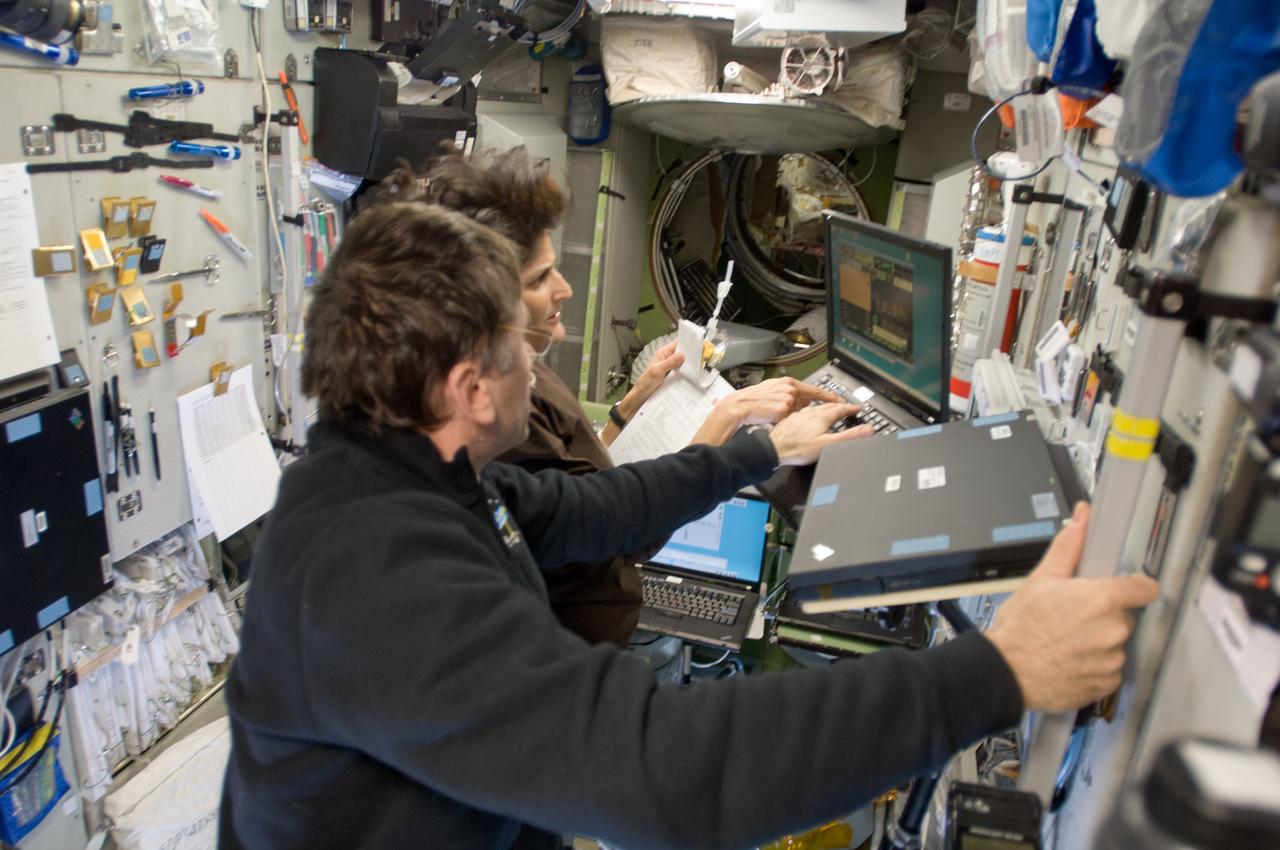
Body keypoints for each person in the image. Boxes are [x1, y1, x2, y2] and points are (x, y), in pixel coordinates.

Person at [219, 196, 1160, 850]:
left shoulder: (416, 475)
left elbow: (596, 509)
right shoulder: (370, 575)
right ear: (469, 388)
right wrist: (998, 673)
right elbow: (666, 768)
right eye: (520, 341)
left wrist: (760, 451)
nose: (538, 356)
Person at [406, 147, 849, 646]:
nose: (565, 289)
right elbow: (607, 520)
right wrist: (758, 440)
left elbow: (581, 479)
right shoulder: (490, 420)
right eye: (537, 279)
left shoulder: (525, 371)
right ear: (478, 306)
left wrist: (631, 403)